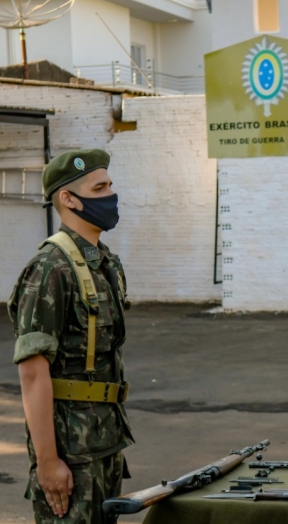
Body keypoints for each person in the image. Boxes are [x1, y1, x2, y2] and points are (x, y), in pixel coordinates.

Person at [8, 149, 134, 523]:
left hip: (105, 441)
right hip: (70, 453)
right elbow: (32, 372)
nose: (111, 194)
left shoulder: (104, 262)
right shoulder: (50, 268)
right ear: (68, 198)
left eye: (110, 185)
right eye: (100, 187)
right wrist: (47, 461)